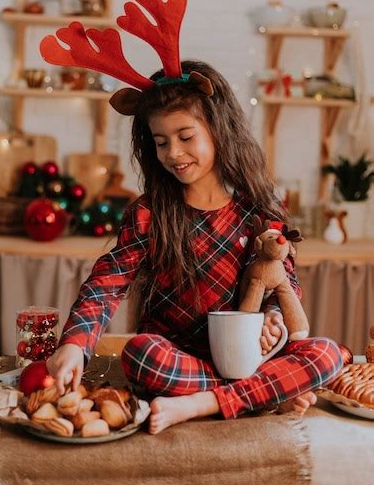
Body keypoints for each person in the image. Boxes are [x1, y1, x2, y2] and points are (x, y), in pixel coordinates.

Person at [47, 60, 343, 435]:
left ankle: (206, 403)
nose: (173, 153)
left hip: (248, 361)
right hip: (176, 364)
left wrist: (274, 320)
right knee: (140, 353)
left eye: (186, 137)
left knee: (330, 354)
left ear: (220, 129)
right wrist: (75, 343)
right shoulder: (149, 213)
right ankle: (261, 397)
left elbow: (283, 286)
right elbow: (105, 285)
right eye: (161, 142)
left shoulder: (259, 214)